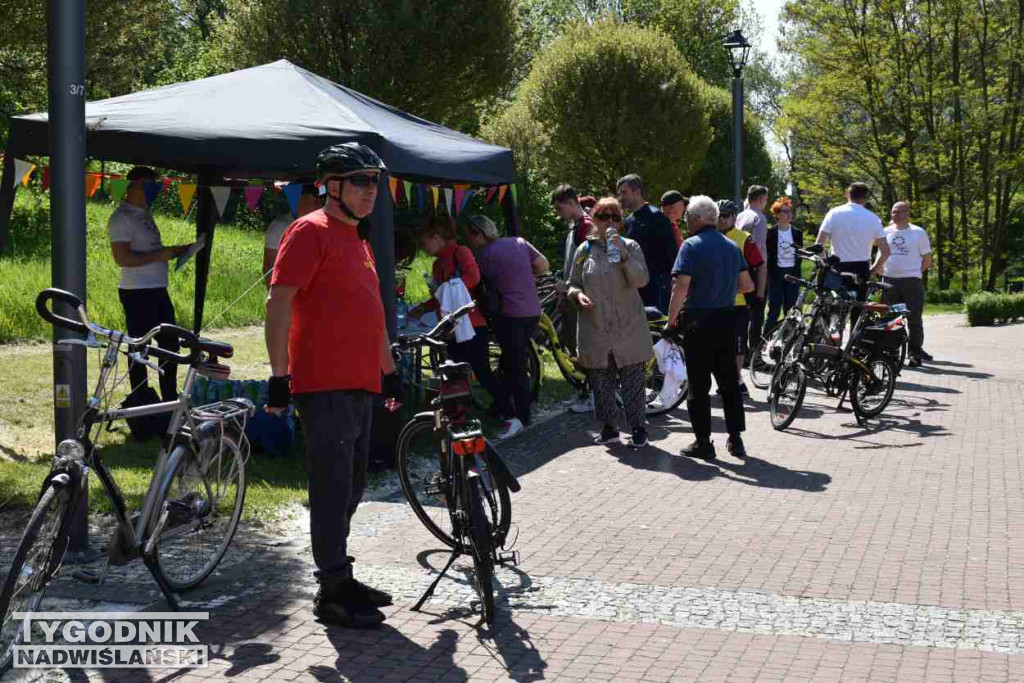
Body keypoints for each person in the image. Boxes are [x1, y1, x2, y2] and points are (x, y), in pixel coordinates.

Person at [265, 143, 403, 629]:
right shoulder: (309, 231)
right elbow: (278, 305)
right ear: (333, 186)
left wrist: (388, 370)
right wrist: (279, 377)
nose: (372, 191)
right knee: (331, 487)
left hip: (362, 381)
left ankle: (339, 574)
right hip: (323, 384)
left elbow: (373, 313)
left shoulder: (358, 238)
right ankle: (332, 590)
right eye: (362, 181)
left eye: (376, 182)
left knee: (353, 486)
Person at [666, 195, 755, 461]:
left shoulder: (691, 246)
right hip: (727, 318)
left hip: (698, 321)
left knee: (699, 385)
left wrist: (671, 323)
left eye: (687, 220)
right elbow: (748, 285)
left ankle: (703, 442)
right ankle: (736, 439)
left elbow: (680, 288)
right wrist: (725, 289)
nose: (686, 224)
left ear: (696, 219)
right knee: (729, 382)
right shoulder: (731, 246)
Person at [567, 197, 654, 448]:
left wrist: (625, 255)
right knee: (601, 381)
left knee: (633, 381)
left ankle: (638, 428)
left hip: (628, 327)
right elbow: (573, 282)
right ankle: (609, 428)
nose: (610, 222)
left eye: (616, 217)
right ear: (594, 219)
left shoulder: (632, 246)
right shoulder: (584, 251)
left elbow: (641, 280)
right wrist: (576, 294)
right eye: (604, 216)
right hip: (597, 326)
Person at [108, 166, 194, 403]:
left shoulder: (145, 213)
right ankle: (141, 396)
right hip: (137, 292)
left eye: (155, 186)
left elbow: (153, 251)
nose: (153, 191)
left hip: (157, 289)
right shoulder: (121, 218)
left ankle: (169, 396)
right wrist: (159, 256)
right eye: (148, 186)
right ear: (133, 187)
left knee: (169, 344)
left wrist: (178, 251)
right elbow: (122, 258)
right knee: (139, 346)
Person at [466, 214, 549, 440]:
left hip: (510, 314)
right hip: (533, 311)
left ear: (479, 234)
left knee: (515, 365)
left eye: (470, 236)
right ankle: (503, 404)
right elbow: (543, 264)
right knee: (512, 360)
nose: (470, 241)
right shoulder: (519, 242)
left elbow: (475, 283)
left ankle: (520, 417)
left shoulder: (484, 255)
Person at [408, 216, 501, 405]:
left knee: (481, 371)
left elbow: (473, 277)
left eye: (424, 242)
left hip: (472, 324)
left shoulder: (461, 252)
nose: (423, 247)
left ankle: (507, 408)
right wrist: (423, 308)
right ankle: (461, 410)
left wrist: (450, 290)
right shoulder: (437, 264)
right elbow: (441, 297)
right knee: (454, 372)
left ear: (436, 237)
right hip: (450, 329)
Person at [815, 182, 891, 328]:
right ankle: (854, 348)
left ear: (848, 194)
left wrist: (825, 263)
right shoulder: (873, 218)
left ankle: (829, 345)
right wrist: (873, 270)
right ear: (865, 198)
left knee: (831, 310)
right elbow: (886, 251)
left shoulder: (834, 213)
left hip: (836, 267)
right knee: (857, 311)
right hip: (861, 269)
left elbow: (819, 245)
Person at [551, 184, 595, 414]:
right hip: (569, 294)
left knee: (582, 347)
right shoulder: (575, 226)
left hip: (579, 297)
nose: (559, 214)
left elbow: (590, 267)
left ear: (570, 203)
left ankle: (592, 394)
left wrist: (568, 285)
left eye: (560, 208)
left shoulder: (586, 227)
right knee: (568, 341)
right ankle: (583, 390)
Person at [717, 199, 765, 394]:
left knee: (737, 344)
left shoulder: (744, 238)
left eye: (725, 216)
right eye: (718, 216)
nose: (721, 220)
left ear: (734, 218)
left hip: (738, 302)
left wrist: (760, 295)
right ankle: (727, 379)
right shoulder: (705, 236)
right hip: (714, 302)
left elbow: (760, 267)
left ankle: (736, 380)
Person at [882, 201, 932, 365]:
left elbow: (927, 258)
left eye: (898, 212)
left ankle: (915, 353)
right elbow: (881, 254)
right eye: (893, 212)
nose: (894, 215)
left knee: (914, 319)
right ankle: (892, 354)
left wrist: (915, 273)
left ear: (906, 213)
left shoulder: (918, 232)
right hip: (889, 282)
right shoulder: (885, 232)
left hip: (911, 282)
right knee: (891, 319)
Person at [618, 174, 677, 313]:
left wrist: (673, 281)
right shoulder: (628, 221)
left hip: (658, 286)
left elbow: (672, 252)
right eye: (619, 193)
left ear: (637, 192)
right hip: (637, 285)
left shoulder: (657, 217)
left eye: (624, 192)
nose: (621, 197)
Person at [263, 184, 322, 285]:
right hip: (288, 290)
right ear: (302, 200)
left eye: (321, 201)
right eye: (316, 201)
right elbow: (269, 266)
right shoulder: (280, 226)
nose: (320, 205)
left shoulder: (325, 225)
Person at [736, 185, 770, 355]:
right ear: (760, 199)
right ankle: (754, 353)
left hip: (738, 268)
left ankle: (742, 350)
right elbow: (758, 250)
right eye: (765, 200)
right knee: (757, 314)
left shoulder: (739, 216)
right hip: (754, 270)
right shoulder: (759, 218)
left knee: (742, 313)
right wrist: (762, 284)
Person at [765, 197, 805, 330]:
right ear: (777, 215)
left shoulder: (797, 233)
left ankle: (788, 340)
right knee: (774, 310)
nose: (789, 214)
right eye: (785, 211)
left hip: (793, 274)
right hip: (776, 275)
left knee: (791, 310)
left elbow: (800, 254)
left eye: (790, 211)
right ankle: (765, 340)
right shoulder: (770, 233)